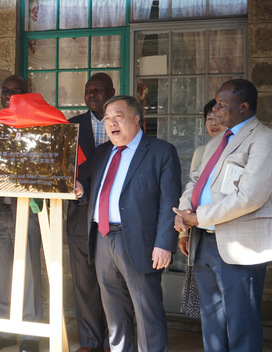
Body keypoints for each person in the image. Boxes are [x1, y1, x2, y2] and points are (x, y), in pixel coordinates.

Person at [174, 79, 272, 352]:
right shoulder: (218, 141)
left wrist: (198, 217)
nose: (214, 109)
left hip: (238, 247)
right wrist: (184, 210)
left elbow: (249, 197)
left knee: (241, 324)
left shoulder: (264, 140)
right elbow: (195, 180)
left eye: (220, 104)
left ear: (243, 106)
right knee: (212, 322)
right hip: (204, 242)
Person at [81, 95, 181, 352]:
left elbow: (169, 201)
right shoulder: (103, 152)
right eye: (107, 119)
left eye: (118, 117)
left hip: (139, 241)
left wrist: (164, 243)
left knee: (147, 310)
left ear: (137, 119)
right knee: (114, 310)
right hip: (102, 237)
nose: (112, 123)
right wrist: (81, 191)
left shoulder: (160, 151)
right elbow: (99, 190)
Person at [0, 75, 42, 352]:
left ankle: (30, 333)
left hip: (27, 208)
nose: (9, 96)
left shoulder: (39, 123)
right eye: (5, 90)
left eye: (16, 91)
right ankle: (4, 331)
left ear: (27, 94)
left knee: (28, 271)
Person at [66, 73, 114, 352]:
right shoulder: (72, 127)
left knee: (112, 281)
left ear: (111, 92)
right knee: (84, 282)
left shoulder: (121, 123)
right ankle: (90, 341)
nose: (92, 94)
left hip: (114, 215)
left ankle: (112, 340)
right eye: (88, 90)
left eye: (98, 89)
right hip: (81, 213)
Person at [178, 99, 227, 257]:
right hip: (199, 228)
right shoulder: (202, 151)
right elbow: (192, 187)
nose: (213, 123)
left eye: (218, 118)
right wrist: (184, 233)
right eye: (209, 119)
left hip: (227, 229)